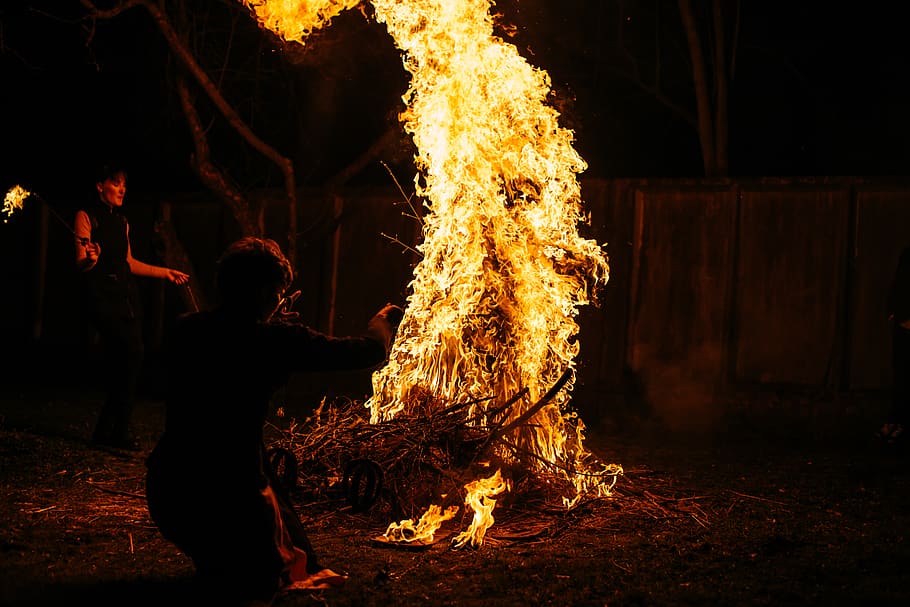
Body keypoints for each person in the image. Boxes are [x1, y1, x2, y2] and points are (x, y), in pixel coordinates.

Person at [145, 236, 402, 605]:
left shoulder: (187, 329)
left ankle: (225, 559)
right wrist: (381, 323)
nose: (281, 298)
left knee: (252, 463)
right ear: (266, 292)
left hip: (170, 491)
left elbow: (230, 344)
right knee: (263, 580)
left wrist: (267, 327)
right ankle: (240, 561)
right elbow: (366, 351)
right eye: (278, 291)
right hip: (228, 497)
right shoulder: (278, 340)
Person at [74, 164, 190, 451]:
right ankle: (119, 430)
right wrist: (91, 258)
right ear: (100, 186)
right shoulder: (85, 217)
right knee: (131, 354)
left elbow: (129, 262)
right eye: (115, 183)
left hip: (126, 297)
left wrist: (165, 272)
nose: (122, 188)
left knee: (128, 362)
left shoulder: (122, 222)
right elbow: (81, 262)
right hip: (101, 298)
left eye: (124, 184)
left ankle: (107, 431)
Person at [878, 245, 910, 444]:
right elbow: (898, 284)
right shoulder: (907, 254)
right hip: (903, 324)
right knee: (901, 375)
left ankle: (900, 423)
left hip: (904, 323)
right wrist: (893, 311)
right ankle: (895, 421)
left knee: (904, 376)